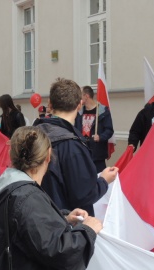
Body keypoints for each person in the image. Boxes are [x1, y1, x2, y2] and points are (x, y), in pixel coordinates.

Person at [0, 126, 102, 269]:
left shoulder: (9, 186)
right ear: (48, 156)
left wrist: (62, 219)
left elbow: (25, 227)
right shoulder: (28, 197)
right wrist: (88, 230)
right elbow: (60, 253)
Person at [34, 78, 118, 216]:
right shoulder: (73, 146)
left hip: (39, 216)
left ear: (49, 103)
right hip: (64, 224)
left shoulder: (32, 134)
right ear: (79, 105)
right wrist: (104, 181)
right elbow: (83, 194)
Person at [75, 86, 114, 173]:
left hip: (97, 155)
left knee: (99, 179)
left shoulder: (102, 112)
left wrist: (100, 137)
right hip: (83, 154)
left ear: (86, 96)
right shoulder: (79, 113)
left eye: (80, 95)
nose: (78, 98)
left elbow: (109, 130)